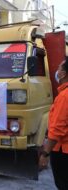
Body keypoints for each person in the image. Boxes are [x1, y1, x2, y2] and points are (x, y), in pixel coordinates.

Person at [39, 57, 68, 190]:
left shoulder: (64, 97)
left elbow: (57, 130)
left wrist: (45, 154)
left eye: (59, 68)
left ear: (63, 74)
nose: (56, 71)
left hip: (62, 151)